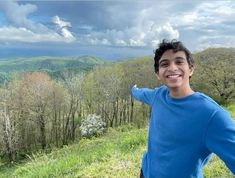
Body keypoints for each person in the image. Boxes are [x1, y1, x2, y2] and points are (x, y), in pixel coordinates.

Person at [131, 39, 235, 178]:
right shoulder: (158, 95)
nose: (172, 67)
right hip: (146, 172)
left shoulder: (211, 115)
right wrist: (133, 89)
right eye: (164, 64)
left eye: (179, 62)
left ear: (191, 69)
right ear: (158, 73)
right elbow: (141, 93)